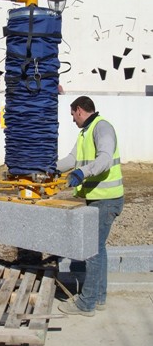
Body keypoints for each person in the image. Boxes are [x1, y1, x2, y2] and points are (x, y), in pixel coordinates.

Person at [57, 96, 124, 317]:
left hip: (107, 200)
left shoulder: (102, 127)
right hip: (99, 199)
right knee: (99, 250)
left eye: (72, 115)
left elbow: (104, 159)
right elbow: (72, 158)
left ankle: (86, 304)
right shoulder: (85, 132)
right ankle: (99, 297)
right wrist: (50, 168)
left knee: (92, 251)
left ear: (79, 110)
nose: (72, 120)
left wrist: (82, 173)